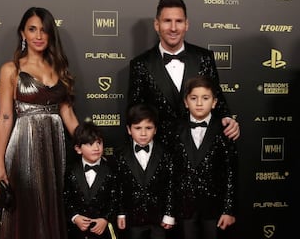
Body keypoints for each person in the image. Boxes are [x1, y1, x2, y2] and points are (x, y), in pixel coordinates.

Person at [0, 7, 79, 239]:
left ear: (50, 35)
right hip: (23, 148)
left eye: (44, 30)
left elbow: (67, 114)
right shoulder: (11, 70)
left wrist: (87, 142)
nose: (38, 36)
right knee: (27, 207)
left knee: (51, 205)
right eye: (32, 29)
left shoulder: (60, 68)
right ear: (23, 34)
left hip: (54, 147)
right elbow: (6, 117)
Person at [127, 0, 240, 152]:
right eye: (167, 21)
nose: (173, 28)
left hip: (199, 152)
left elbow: (217, 99)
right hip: (160, 154)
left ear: (186, 24)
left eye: (179, 21)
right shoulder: (141, 64)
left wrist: (228, 119)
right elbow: (135, 113)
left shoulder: (204, 58)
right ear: (156, 24)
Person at [173, 75, 238, 239]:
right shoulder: (174, 129)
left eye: (205, 98)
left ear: (215, 102)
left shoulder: (226, 130)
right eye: (194, 98)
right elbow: (170, 172)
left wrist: (228, 209)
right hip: (183, 208)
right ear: (186, 102)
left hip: (214, 208)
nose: (200, 103)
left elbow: (232, 173)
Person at [114, 103, 175, 239]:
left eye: (148, 128)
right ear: (129, 130)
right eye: (137, 128)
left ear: (155, 129)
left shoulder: (165, 153)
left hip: (159, 219)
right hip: (132, 218)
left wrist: (169, 213)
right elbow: (118, 187)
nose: (143, 133)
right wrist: (121, 213)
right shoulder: (120, 154)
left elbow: (170, 185)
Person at [63, 120, 118, 239]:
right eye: (89, 144)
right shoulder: (70, 171)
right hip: (76, 233)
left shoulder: (111, 169)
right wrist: (75, 217)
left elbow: (115, 198)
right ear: (78, 149)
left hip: (103, 232)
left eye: (99, 143)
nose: (96, 147)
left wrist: (105, 219)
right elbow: (66, 199)